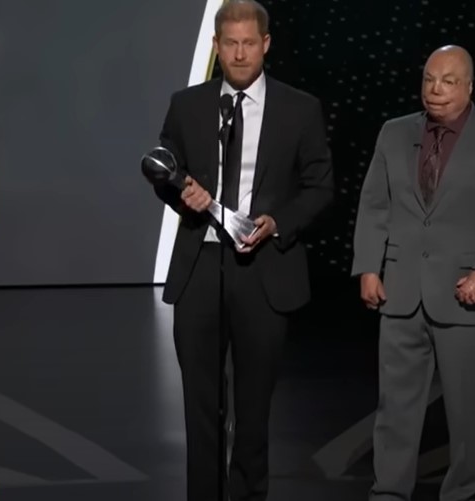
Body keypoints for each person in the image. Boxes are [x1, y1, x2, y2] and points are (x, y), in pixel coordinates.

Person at [149, 1, 333, 499]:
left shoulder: (300, 108)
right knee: (202, 408)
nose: (240, 53)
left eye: (249, 43)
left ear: (266, 44)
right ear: (215, 46)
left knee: (253, 410)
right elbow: (165, 167)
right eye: (230, 43)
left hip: (264, 269)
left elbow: (319, 186)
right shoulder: (187, 104)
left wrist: (279, 223)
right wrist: (179, 190)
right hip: (201, 267)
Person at [352, 45, 475, 501]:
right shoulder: (394, 134)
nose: (436, 89)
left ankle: (462, 492)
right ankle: (388, 491)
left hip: (465, 297)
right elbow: (375, 206)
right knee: (395, 406)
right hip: (401, 291)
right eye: (430, 79)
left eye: (449, 81)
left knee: (467, 413)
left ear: (470, 87)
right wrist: (369, 267)